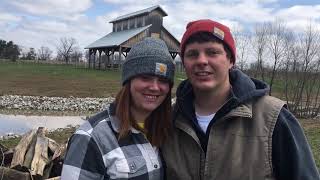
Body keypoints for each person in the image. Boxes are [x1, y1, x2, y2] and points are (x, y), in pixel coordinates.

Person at [162, 19, 320, 180]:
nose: (202, 60)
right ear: (184, 62)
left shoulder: (273, 119)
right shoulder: (169, 119)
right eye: (192, 54)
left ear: (230, 60)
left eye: (212, 52)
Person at [61, 37, 175, 180]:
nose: (154, 87)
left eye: (163, 80)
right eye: (145, 78)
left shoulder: (166, 131)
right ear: (128, 81)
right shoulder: (90, 138)